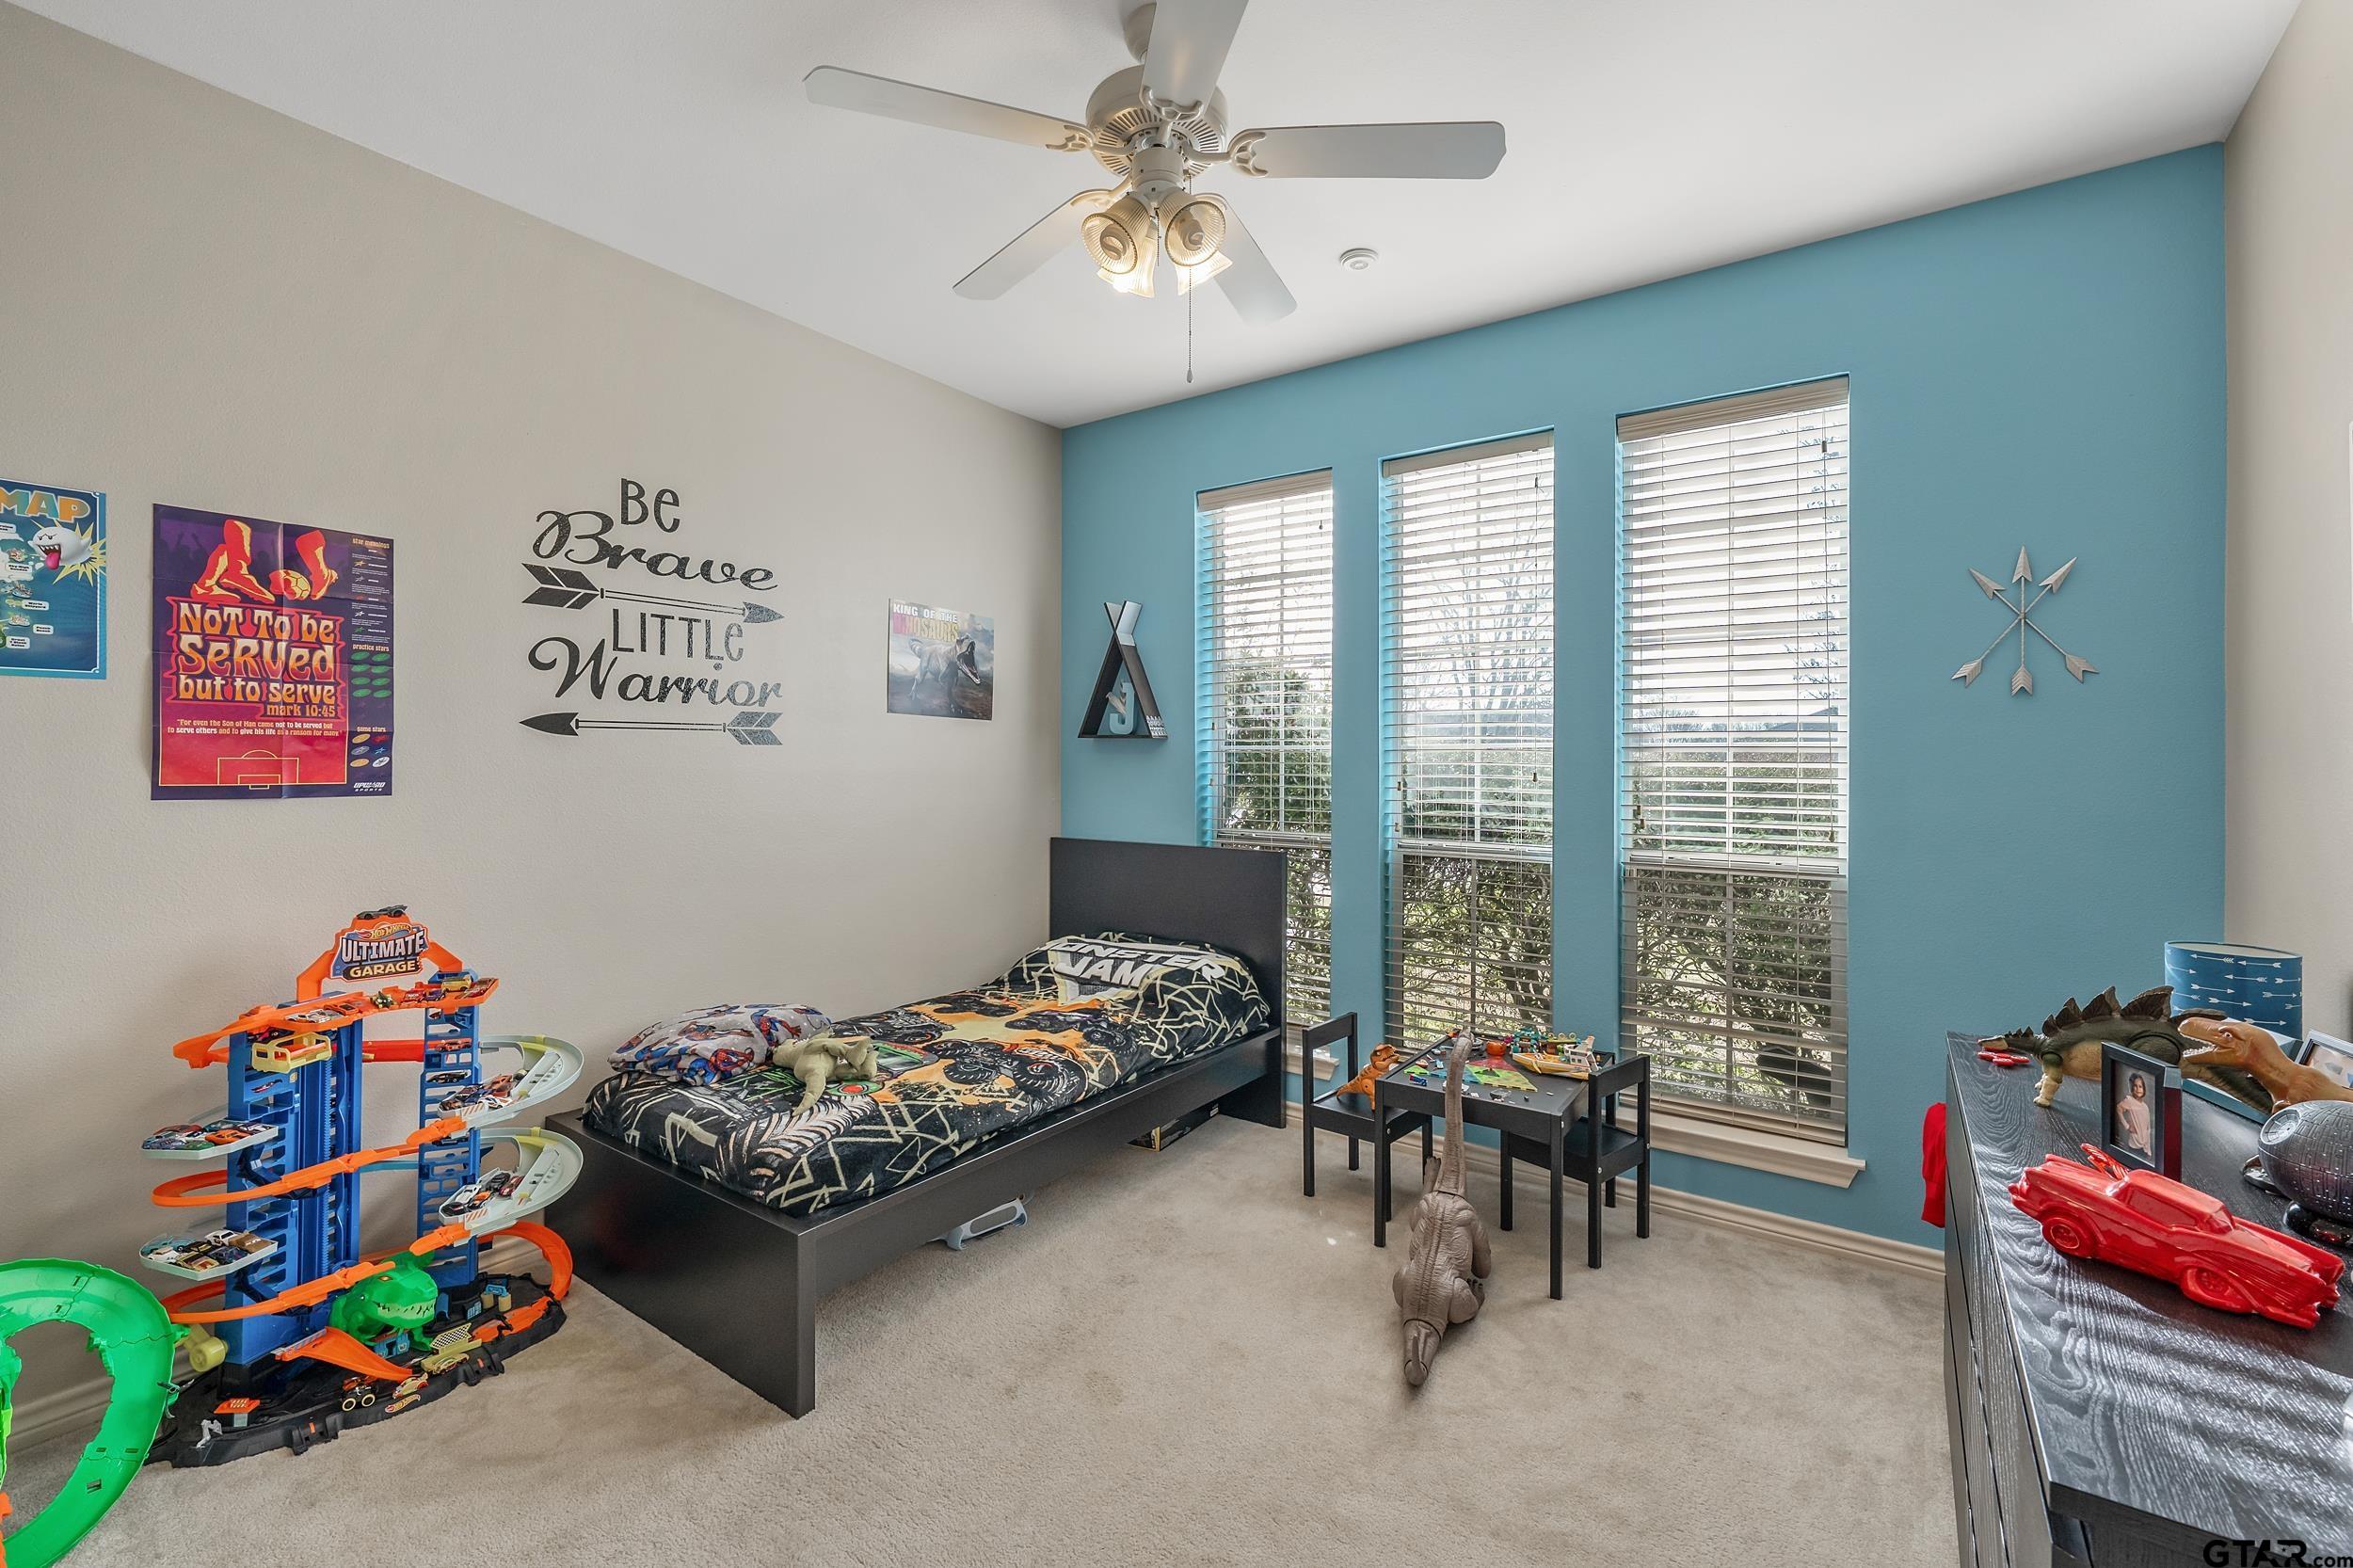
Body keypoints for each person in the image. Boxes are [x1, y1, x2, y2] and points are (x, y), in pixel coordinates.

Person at [2115, 1071, 2153, 1157]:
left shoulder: (2145, 1107)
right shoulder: (2129, 1100)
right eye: (2135, 1086)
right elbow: (2118, 1108)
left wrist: (2148, 1149)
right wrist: (2127, 1126)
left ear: (2144, 1088)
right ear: (2132, 1087)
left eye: (2140, 1086)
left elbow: (2148, 1129)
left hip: (2144, 1147)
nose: (2138, 1089)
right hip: (2134, 1145)